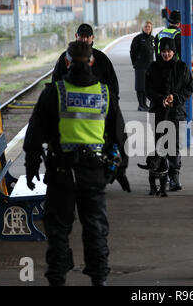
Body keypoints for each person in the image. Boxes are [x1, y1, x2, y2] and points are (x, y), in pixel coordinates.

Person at [23, 41, 130, 286]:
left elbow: (35, 135)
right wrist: (120, 170)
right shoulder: (105, 94)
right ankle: (98, 279)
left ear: (67, 62)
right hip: (94, 174)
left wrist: (31, 168)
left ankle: (58, 278)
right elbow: (120, 135)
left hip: (61, 173)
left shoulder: (54, 93)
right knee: (95, 229)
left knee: (58, 229)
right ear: (92, 61)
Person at [145, 37, 193, 192]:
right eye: (164, 51)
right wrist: (161, 99)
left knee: (174, 146)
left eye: (169, 51)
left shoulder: (182, 67)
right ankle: (160, 176)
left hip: (176, 112)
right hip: (158, 111)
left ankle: (174, 177)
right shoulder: (153, 67)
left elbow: (189, 88)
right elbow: (148, 89)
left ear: (174, 52)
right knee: (160, 145)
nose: (166, 54)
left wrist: (175, 98)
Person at [52, 23, 120, 101]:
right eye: (81, 36)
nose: (84, 40)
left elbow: (112, 83)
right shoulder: (101, 57)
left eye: (87, 37)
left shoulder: (102, 58)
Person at [130, 20, 155, 111]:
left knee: (146, 86)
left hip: (149, 66)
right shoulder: (138, 39)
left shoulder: (152, 38)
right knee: (140, 86)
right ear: (142, 28)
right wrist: (135, 63)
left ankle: (144, 104)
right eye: (146, 27)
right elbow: (133, 52)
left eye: (149, 26)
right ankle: (141, 105)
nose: (147, 28)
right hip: (140, 66)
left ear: (151, 28)